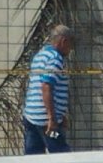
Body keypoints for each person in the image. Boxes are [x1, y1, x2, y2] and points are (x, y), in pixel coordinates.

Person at [23, 24, 75, 154]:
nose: (71, 49)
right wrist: (52, 118)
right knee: (60, 151)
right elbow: (46, 86)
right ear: (64, 41)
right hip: (46, 123)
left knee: (34, 156)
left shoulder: (40, 55)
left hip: (31, 118)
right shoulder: (55, 59)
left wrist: (60, 115)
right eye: (70, 44)